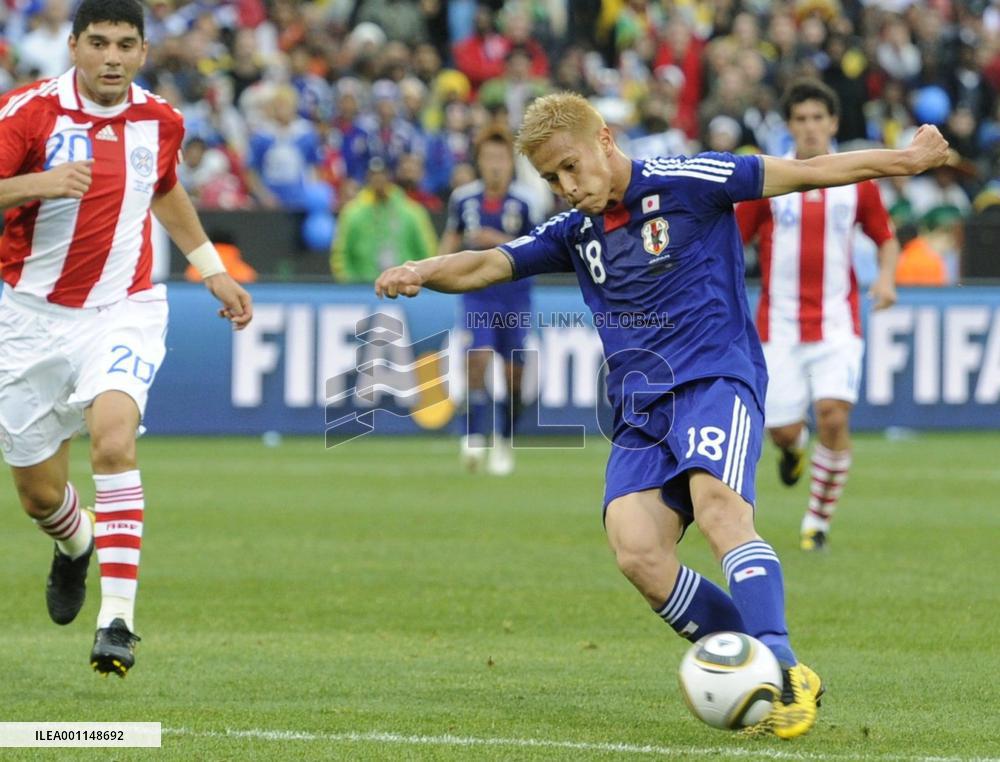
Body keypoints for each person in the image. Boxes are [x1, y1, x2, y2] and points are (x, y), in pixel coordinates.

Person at [375, 92, 950, 738]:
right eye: (551, 179)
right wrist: (422, 270)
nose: (566, 187)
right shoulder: (576, 232)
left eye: (570, 167)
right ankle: (755, 661)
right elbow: (489, 262)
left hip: (715, 381)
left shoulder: (689, 181)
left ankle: (782, 668)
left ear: (606, 141)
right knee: (637, 550)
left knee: (719, 511)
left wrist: (903, 160)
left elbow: (806, 172)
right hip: (640, 409)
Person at [0, 0, 253, 677]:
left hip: (123, 308)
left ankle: (118, 621)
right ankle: (75, 544)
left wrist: (213, 271)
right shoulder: (28, 113)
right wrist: (39, 184)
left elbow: (163, 189)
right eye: (100, 43)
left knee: (114, 439)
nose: (112, 57)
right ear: (74, 46)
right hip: (29, 320)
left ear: (143, 52)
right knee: (39, 495)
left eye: (126, 45)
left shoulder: (160, 121)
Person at [735, 80, 900, 553]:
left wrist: (886, 280)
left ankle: (816, 523)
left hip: (837, 321)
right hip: (779, 324)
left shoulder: (857, 182)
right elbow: (735, 240)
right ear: (790, 126)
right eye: (800, 119)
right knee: (784, 430)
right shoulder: (768, 179)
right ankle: (793, 449)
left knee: (833, 414)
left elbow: (885, 237)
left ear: (832, 123)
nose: (809, 127)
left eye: (817, 118)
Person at [439, 126, 541, 475]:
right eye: (488, 158)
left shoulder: (527, 201)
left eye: (501, 159)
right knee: (477, 361)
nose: (495, 165)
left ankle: (504, 440)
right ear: (479, 162)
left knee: (514, 374)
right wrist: (433, 272)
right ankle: (472, 437)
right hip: (478, 296)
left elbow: (539, 250)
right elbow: (450, 237)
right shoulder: (464, 199)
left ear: (511, 164)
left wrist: (496, 240)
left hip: (514, 297)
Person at [330, 157, 437, 283]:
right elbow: (341, 254)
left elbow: (427, 252)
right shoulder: (353, 213)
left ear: (389, 177)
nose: (378, 180)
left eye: (382, 175)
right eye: (374, 175)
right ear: (367, 177)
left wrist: (419, 281)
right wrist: (350, 284)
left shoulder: (411, 212)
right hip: (363, 287)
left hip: (404, 287)